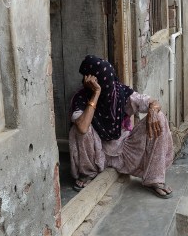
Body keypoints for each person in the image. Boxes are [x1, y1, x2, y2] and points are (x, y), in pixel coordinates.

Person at [68, 55, 175, 197]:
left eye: (111, 82)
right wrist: (97, 94)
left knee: (158, 117)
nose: (110, 88)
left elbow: (152, 101)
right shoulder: (81, 98)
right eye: (105, 85)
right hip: (97, 154)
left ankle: (154, 179)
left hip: (124, 149)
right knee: (80, 129)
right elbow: (82, 127)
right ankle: (88, 173)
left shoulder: (120, 92)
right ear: (91, 82)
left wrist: (153, 110)